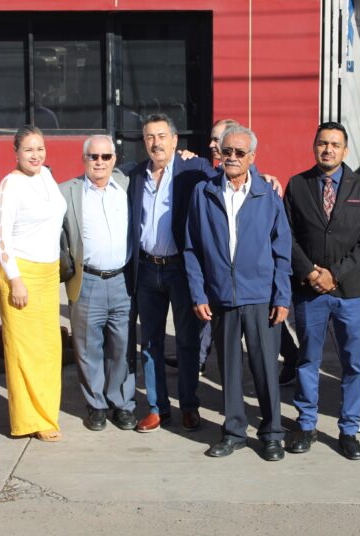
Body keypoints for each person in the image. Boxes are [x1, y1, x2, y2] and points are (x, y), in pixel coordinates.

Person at [184, 125, 292, 461]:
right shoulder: (203, 193)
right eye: (226, 151)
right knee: (229, 370)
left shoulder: (267, 195)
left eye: (239, 152)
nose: (231, 157)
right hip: (221, 297)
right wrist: (199, 293)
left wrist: (282, 297)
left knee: (266, 369)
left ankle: (272, 434)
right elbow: (192, 247)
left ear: (252, 157)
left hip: (260, 297)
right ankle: (233, 432)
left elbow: (282, 250)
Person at [283, 121, 360, 461]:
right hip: (310, 290)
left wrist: (334, 274)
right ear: (314, 146)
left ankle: (349, 429)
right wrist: (310, 272)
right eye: (323, 143)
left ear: (345, 150)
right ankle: (306, 424)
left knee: (353, 363)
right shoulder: (297, 185)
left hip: (351, 291)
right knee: (308, 359)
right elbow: (287, 236)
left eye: (335, 144)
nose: (328, 149)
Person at [128, 113, 218, 433]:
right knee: (150, 342)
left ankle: (189, 405)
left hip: (181, 269)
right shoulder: (135, 174)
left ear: (175, 140)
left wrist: (266, 177)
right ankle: (158, 408)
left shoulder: (193, 169)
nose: (156, 143)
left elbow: (228, 178)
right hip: (147, 270)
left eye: (162, 136)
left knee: (187, 342)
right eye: (150, 137)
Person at [201, 118, 299, 384]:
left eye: (218, 140)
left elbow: (281, 246)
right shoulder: (207, 179)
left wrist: (281, 295)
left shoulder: (263, 189)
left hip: (255, 290)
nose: (213, 145)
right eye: (218, 144)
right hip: (223, 287)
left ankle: (290, 360)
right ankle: (200, 357)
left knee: (264, 347)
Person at [60, 135, 137, 432]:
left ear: (114, 159)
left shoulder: (128, 185)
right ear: (84, 159)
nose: (100, 162)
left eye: (106, 156)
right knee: (87, 347)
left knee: (122, 346)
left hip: (122, 281)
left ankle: (122, 403)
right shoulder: (67, 191)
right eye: (93, 156)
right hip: (87, 281)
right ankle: (96, 405)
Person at [0, 125, 67, 441]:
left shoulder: (46, 176)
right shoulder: (10, 185)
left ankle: (47, 414)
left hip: (49, 275)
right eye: (28, 150)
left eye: (40, 148)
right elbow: (0, 235)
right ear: (16, 152)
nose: (35, 155)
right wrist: (15, 279)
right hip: (21, 274)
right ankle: (29, 420)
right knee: (23, 351)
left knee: (48, 349)